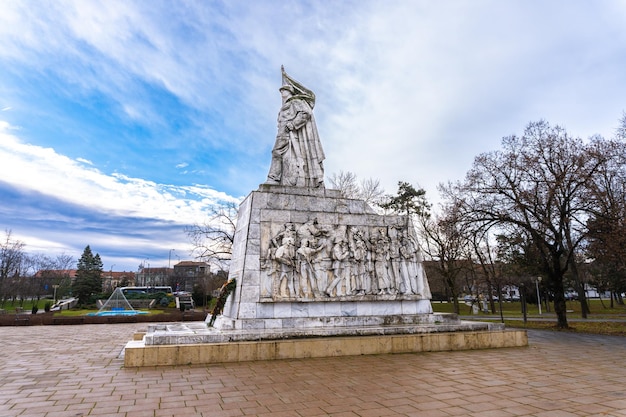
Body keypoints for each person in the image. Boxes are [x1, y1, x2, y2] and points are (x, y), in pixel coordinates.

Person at [266, 67, 325, 188]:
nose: (282, 93)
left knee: (279, 153)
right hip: (283, 133)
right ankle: (277, 179)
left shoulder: (295, 101)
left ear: (289, 91)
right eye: (281, 91)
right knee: (280, 155)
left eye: (284, 90)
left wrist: (293, 124)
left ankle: (274, 178)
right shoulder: (286, 105)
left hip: (289, 132)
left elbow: (305, 113)